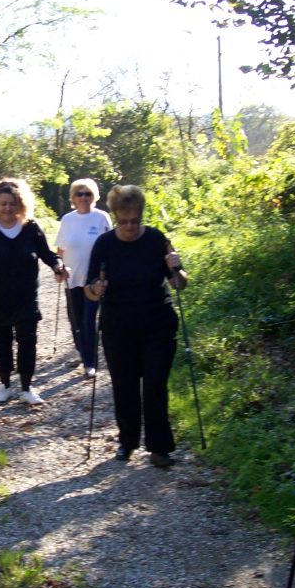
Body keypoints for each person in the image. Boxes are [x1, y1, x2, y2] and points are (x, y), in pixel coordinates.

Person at [84, 185, 187, 468]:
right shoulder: (104, 244)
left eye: (134, 221)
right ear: (116, 216)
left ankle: (159, 447)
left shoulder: (156, 239)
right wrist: (97, 287)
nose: (129, 227)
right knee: (124, 385)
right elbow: (89, 290)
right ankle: (127, 442)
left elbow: (179, 284)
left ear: (141, 215)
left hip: (158, 322)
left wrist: (177, 267)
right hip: (118, 325)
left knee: (155, 384)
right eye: (123, 221)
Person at [0, 178, 68, 405]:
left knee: (28, 340)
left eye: (12, 204)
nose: (7, 208)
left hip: (25, 295)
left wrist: (58, 265)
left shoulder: (31, 228)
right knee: (1, 340)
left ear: (21, 205)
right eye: (3, 204)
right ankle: (5, 385)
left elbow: (46, 254)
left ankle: (27, 387)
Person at [55, 178, 112, 377]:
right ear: (73, 198)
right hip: (72, 278)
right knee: (76, 321)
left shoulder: (102, 217)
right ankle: (83, 352)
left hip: (94, 280)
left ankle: (90, 362)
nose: (83, 197)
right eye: (79, 194)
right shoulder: (67, 220)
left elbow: (110, 246)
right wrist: (59, 268)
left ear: (94, 196)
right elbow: (60, 248)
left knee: (89, 320)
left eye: (88, 193)